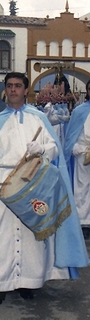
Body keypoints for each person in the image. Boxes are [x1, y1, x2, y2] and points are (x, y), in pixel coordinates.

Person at [0, 72, 89, 313]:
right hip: (3, 183)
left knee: (32, 236)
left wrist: (43, 148)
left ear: (26, 90)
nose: (13, 90)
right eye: (9, 86)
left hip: (32, 181)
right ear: (5, 90)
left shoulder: (38, 118)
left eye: (18, 86)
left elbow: (54, 149)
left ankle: (27, 282)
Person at [64, 79, 90, 239]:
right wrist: (74, 147)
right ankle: (83, 221)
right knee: (82, 187)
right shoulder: (80, 111)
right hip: (83, 153)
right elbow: (72, 134)